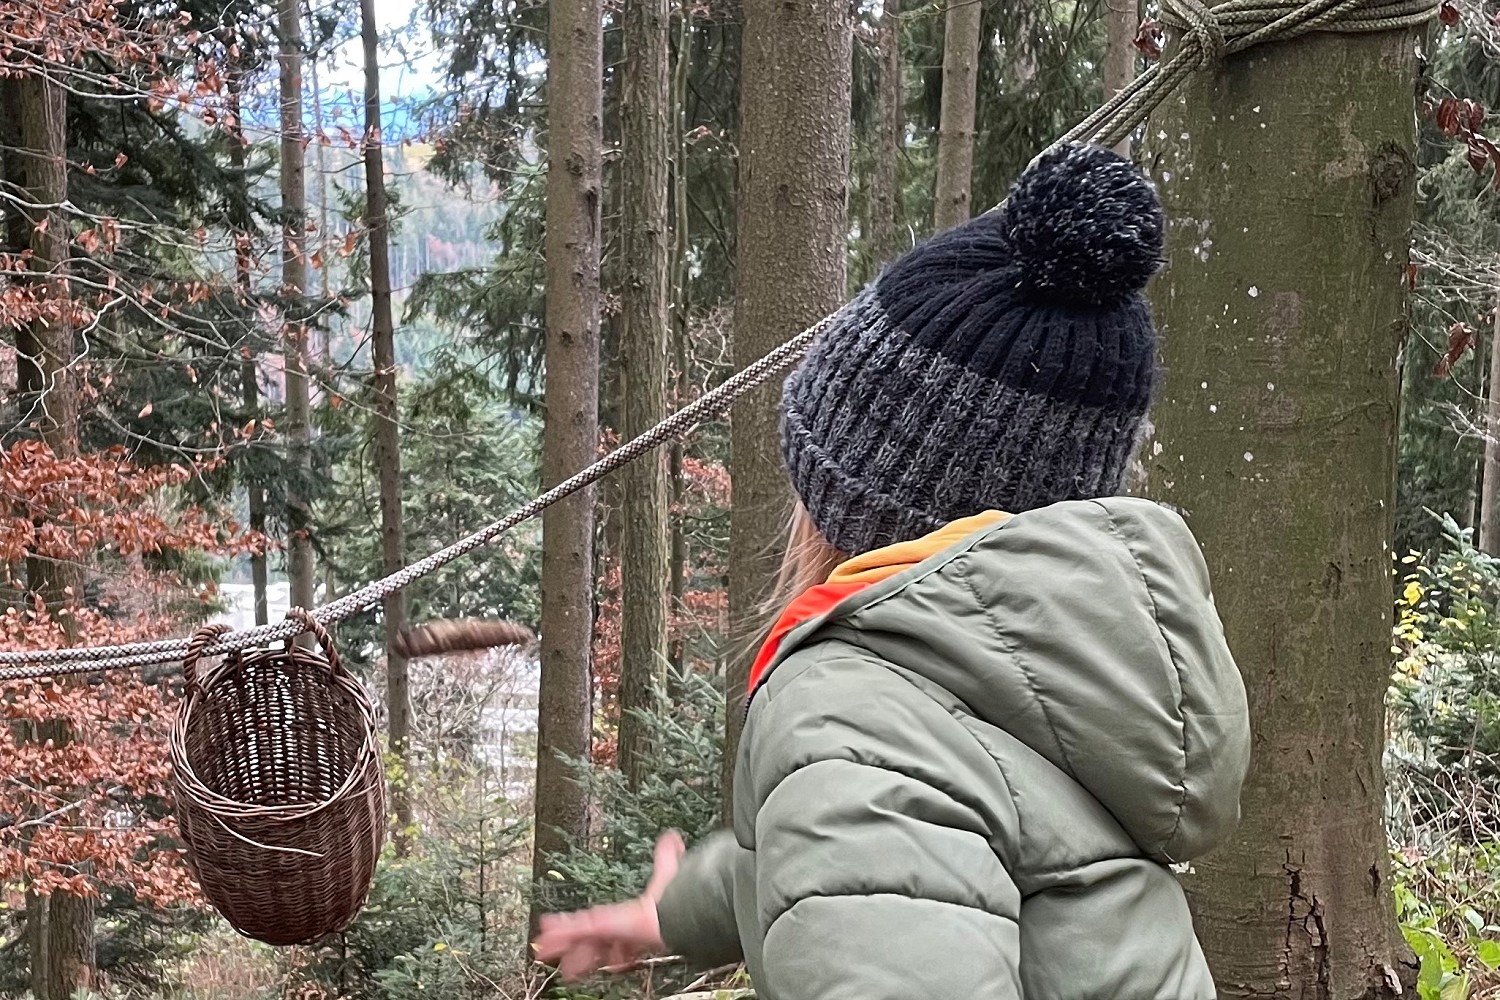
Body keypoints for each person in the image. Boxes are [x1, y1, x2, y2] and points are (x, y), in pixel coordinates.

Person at [533, 142, 1251, 999]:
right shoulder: (1053, 682)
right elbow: (884, 853)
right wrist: (674, 914)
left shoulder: (852, 719)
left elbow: (876, 819)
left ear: (853, 504)